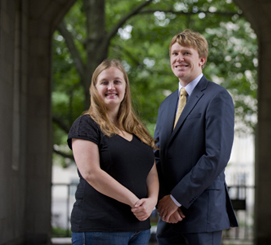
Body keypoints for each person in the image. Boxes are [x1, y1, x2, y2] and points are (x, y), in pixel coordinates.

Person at [154, 29, 238, 245]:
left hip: (202, 215)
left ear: (202, 59)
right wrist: (163, 200)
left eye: (186, 53)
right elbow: (157, 155)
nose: (179, 58)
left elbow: (215, 157)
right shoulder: (166, 104)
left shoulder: (218, 97)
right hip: (167, 215)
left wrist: (176, 199)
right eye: (174, 54)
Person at [67, 59, 159, 245]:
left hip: (139, 230)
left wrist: (151, 201)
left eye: (117, 81)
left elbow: (151, 170)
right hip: (100, 229)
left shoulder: (138, 129)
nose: (111, 87)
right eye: (104, 82)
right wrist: (134, 202)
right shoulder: (86, 125)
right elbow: (90, 173)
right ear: (95, 88)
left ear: (125, 88)